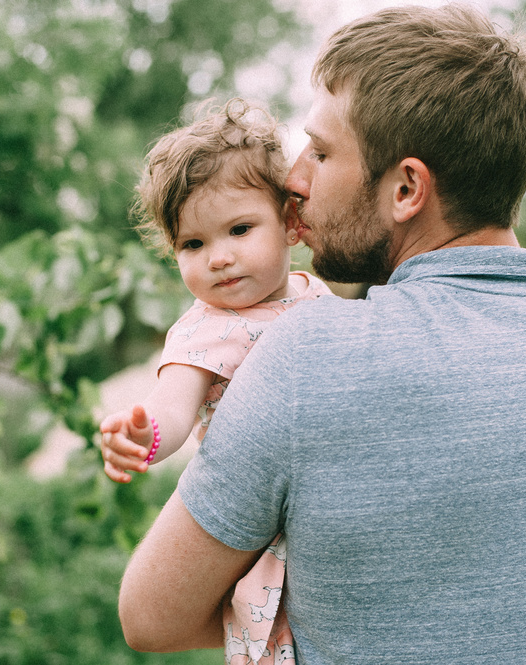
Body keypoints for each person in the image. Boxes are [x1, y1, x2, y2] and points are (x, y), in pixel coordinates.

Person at [115, 4, 526, 664]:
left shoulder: (307, 356)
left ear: (406, 189)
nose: (295, 178)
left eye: (323, 151)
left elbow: (152, 615)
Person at [99, 98, 331, 664]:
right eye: (193, 244)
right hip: (263, 526)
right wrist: (142, 434)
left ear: (290, 224)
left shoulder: (316, 296)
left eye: (239, 229)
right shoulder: (204, 333)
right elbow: (173, 406)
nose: (220, 258)